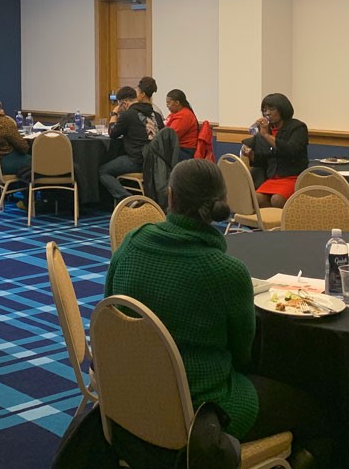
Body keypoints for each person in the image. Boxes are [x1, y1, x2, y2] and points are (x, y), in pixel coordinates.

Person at [105, 160, 330, 468]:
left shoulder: (130, 244)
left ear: (171, 197)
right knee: (318, 409)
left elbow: (110, 314)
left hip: (130, 397)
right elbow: (242, 355)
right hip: (204, 409)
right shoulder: (226, 272)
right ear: (221, 202)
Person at [100, 78, 164, 202]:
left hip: (138, 160)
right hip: (156, 161)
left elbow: (112, 133)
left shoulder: (128, 115)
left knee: (103, 171)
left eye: (119, 105)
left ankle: (129, 199)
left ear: (124, 103)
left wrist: (114, 114)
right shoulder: (156, 115)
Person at [242, 93, 308, 208]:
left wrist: (266, 136)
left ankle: (284, 219)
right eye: (264, 110)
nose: (267, 113)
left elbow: (290, 150)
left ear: (282, 109)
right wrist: (251, 154)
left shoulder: (297, 127)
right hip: (272, 178)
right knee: (256, 199)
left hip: (292, 177)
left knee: (277, 199)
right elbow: (265, 161)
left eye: (271, 109)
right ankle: (269, 220)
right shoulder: (266, 130)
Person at [164, 89, 199, 161]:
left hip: (184, 151)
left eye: (169, 103)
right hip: (176, 148)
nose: (167, 105)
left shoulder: (184, 115)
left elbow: (171, 136)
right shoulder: (174, 114)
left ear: (177, 102)